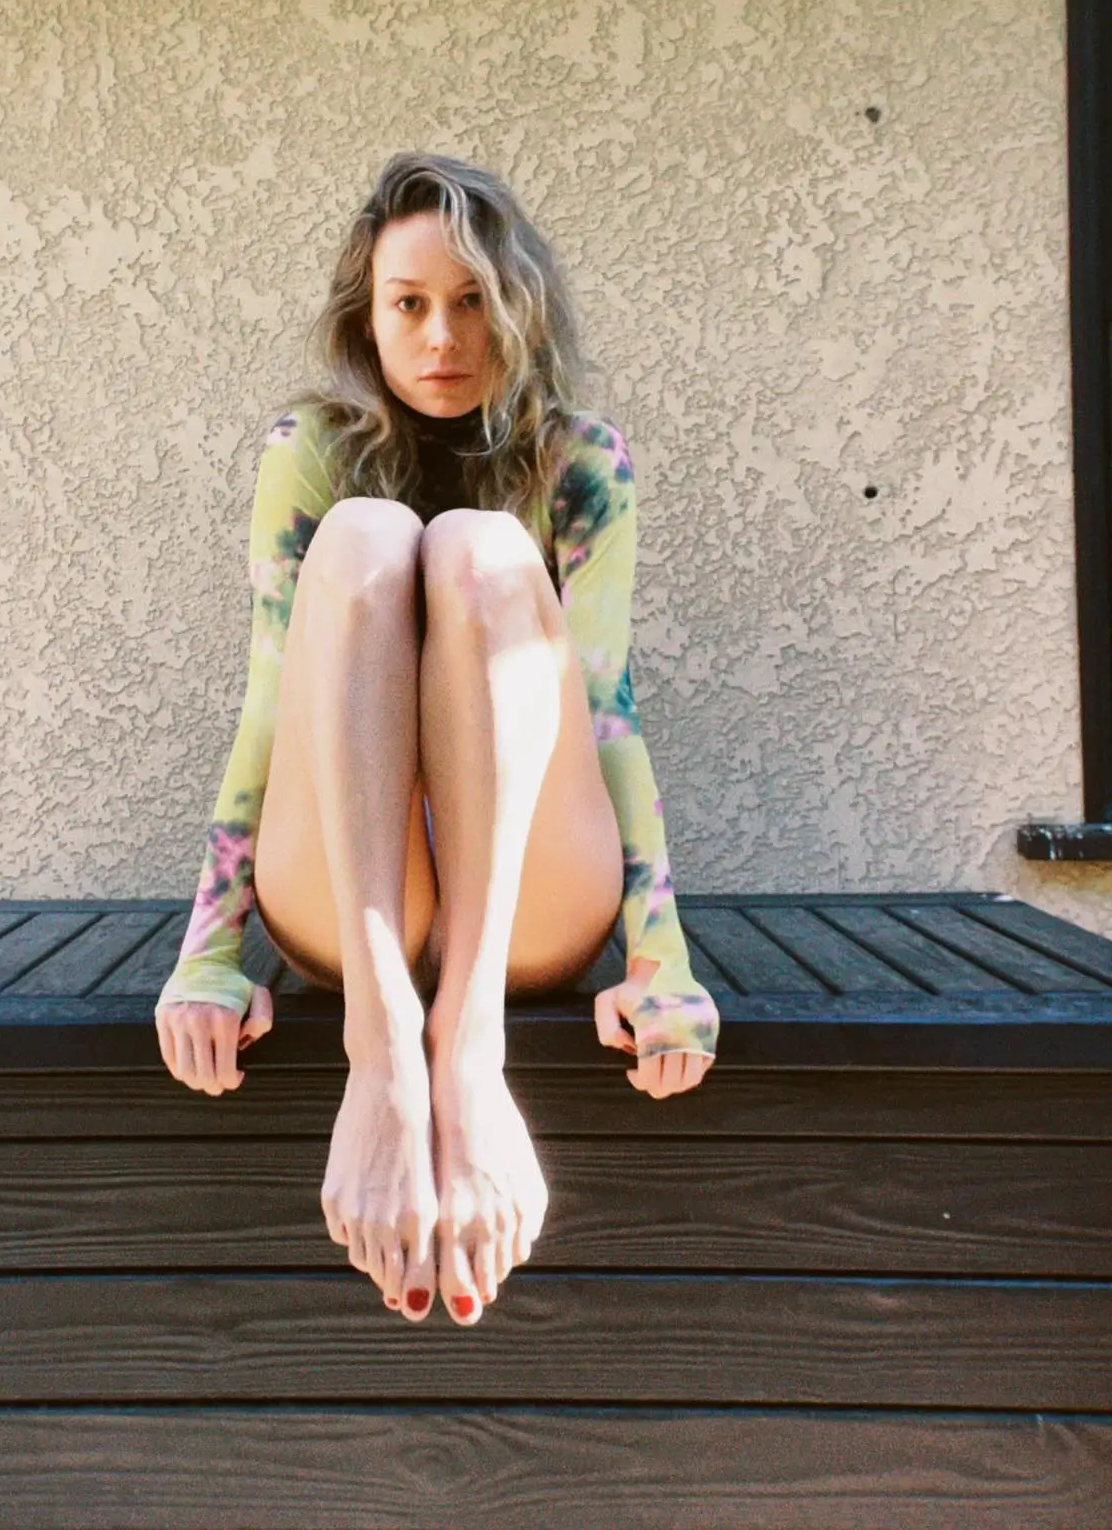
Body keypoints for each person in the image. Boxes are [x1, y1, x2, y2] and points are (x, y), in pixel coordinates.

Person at [154, 152, 718, 1330]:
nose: (441, 336)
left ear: (518, 310)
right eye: (409, 302)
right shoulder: (309, 450)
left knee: (475, 549)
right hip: (350, 903)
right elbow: (271, 702)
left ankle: (466, 1049)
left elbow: (607, 712)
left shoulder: (581, 462)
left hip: (520, 913)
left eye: (472, 302)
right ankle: (383, 1053)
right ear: (368, 314)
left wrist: (658, 960)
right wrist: (209, 952)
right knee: (366, 537)